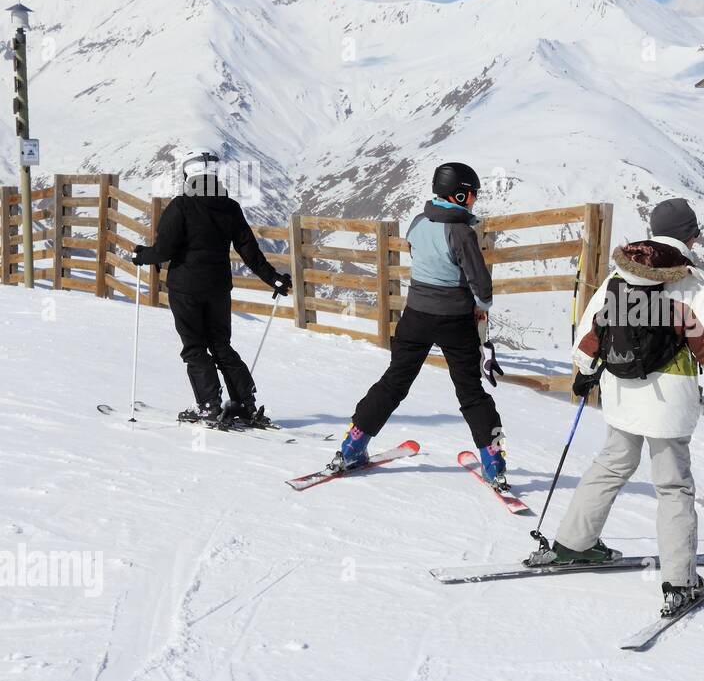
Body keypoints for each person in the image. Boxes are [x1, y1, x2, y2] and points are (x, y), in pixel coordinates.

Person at [535, 197, 704, 616]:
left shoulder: (620, 274)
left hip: (622, 391)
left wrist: (586, 369)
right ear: (690, 235)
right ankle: (680, 580)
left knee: (613, 462)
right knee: (673, 485)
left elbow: (590, 331)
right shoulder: (692, 281)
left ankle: (573, 543)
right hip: (671, 399)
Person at [331, 161, 507, 484]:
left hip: (415, 318)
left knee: (394, 382)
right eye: (471, 195)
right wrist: (481, 307)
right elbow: (481, 285)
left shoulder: (417, 223)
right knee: (470, 391)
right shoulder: (462, 232)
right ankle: (492, 461)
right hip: (454, 320)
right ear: (458, 196)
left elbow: (419, 255)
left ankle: (353, 444)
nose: (474, 201)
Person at [129, 150, 292, 424]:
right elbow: (250, 251)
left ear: (188, 176)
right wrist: (273, 278)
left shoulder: (181, 206)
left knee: (194, 347)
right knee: (220, 344)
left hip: (186, 288)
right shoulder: (230, 208)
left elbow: (164, 251)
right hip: (218, 289)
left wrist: (140, 255)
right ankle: (245, 403)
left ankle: (209, 405)